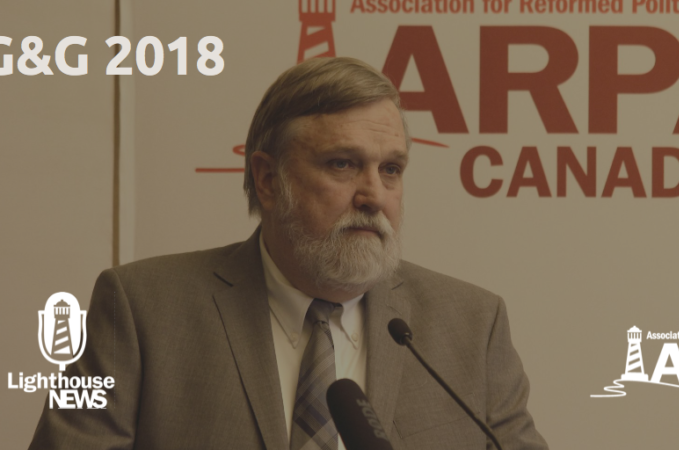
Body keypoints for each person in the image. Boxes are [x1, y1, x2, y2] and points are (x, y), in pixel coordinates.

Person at [29, 57, 548, 450]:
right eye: (343, 164)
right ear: (267, 179)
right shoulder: (141, 309)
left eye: (391, 169)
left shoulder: (472, 325)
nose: (374, 196)